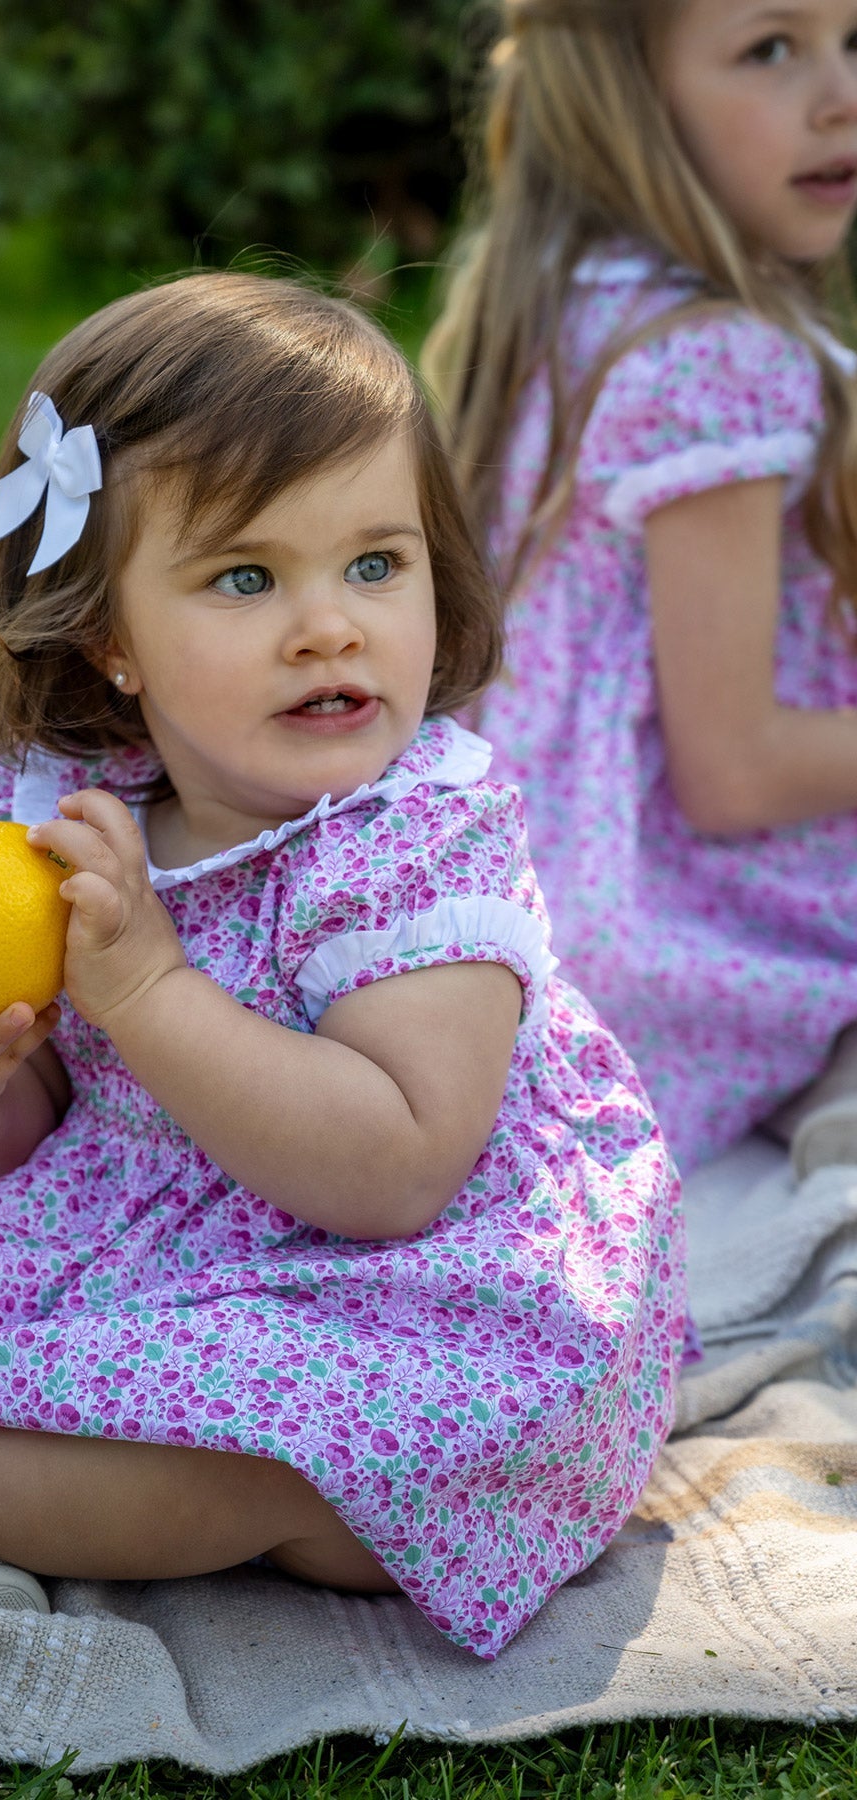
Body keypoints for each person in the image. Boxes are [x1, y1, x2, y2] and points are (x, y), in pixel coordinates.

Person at [0, 272, 686, 1691]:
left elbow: (395, 1169)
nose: (328, 625)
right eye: (247, 578)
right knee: (24, 1365)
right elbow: (11, 1149)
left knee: (297, 1484)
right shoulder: (68, 822)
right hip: (171, 1257)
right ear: (110, 640)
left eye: (375, 564)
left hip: (425, 1291)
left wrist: (149, 992)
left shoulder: (419, 836)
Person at [422, 0, 857, 1178]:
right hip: (673, 937)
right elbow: (736, 769)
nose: (838, 95)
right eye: (771, 48)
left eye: (850, 41)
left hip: (539, 895)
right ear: (626, 94)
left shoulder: (575, 304)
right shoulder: (718, 357)